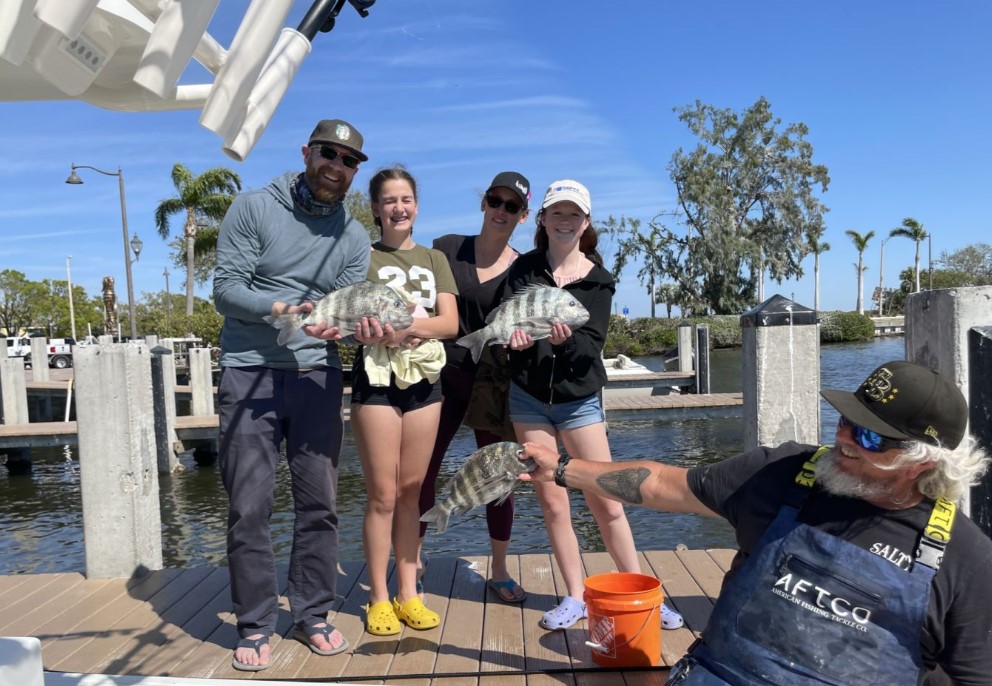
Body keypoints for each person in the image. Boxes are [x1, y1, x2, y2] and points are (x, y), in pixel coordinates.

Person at [520, 360, 992, 685]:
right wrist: (562, 469)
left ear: (921, 462)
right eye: (845, 420)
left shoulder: (966, 559)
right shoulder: (782, 473)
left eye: (869, 436)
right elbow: (663, 484)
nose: (845, 438)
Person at [213, 118, 371, 671]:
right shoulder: (254, 207)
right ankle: (255, 623)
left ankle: (312, 614)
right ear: (307, 152)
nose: (337, 166)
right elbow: (225, 290)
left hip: (317, 375)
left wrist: (354, 329)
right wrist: (277, 309)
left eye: (349, 160)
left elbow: (345, 314)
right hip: (248, 370)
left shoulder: (354, 237)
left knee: (320, 505)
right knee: (248, 506)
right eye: (329, 153)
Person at [504, 179, 682, 631]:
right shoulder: (523, 269)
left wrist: (563, 342)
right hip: (527, 400)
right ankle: (574, 596)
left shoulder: (599, 280)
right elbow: (510, 328)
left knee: (608, 499)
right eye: (557, 213)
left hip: (578, 401)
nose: (565, 221)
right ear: (543, 219)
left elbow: (591, 346)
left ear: (585, 223)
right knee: (553, 502)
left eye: (574, 214)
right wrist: (515, 340)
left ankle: (645, 594)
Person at [350, 166, 459, 636]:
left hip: (424, 383)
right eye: (390, 200)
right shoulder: (361, 256)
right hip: (375, 381)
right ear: (375, 208)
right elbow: (350, 317)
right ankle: (378, 597)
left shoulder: (434, 258)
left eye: (406, 199)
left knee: (412, 491)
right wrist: (372, 332)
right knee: (382, 493)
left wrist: (407, 328)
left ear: (417, 204)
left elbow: (450, 323)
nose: (399, 208)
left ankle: (408, 592)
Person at [417, 171, 532, 604]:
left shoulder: (526, 269)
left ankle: (499, 570)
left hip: (493, 385)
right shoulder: (446, 249)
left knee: (499, 476)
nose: (502, 210)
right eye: (495, 201)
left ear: (523, 216)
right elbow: (420, 304)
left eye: (512, 206)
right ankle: (413, 565)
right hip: (442, 378)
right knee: (423, 471)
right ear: (483, 202)